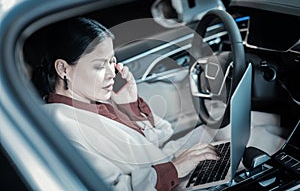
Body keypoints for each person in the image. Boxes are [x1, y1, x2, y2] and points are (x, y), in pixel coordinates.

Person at [24, 17, 221, 191]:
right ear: (63, 68)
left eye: (112, 61)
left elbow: (156, 142)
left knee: (233, 129)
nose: (112, 73)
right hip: (168, 182)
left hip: (170, 169)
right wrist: (175, 169)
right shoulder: (60, 125)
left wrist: (130, 105)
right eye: (100, 65)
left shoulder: (97, 100)